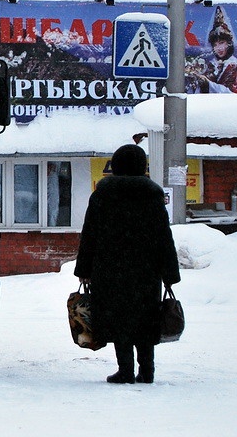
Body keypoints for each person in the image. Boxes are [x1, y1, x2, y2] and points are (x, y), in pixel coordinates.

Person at [74, 144, 180, 384]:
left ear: (116, 165)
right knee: (145, 319)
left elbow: (90, 233)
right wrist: (169, 273)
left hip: (110, 269)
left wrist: (84, 270)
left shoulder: (103, 193)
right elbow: (164, 235)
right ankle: (147, 370)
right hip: (146, 270)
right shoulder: (152, 195)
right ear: (142, 166)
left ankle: (125, 370)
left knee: (118, 318)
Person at [195, 6, 237, 94]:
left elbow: (233, 95)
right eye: (215, 45)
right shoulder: (210, 65)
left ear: (229, 43)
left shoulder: (234, 66)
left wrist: (208, 85)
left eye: (222, 42)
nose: (219, 48)